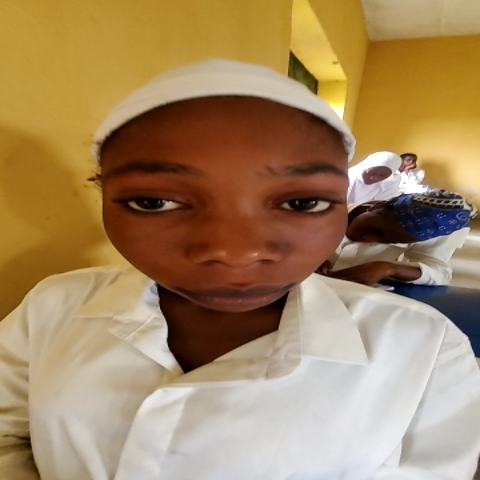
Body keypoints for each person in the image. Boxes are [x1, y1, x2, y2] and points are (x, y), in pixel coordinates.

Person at [0, 59, 479, 480]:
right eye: (154, 201)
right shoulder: (53, 307)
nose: (234, 253)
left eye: (303, 202)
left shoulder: (425, 349)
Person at [328, 189, 476, 286]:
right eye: (375, 230)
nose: (369, 239)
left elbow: (440, 273)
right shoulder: (326, 212)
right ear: (377, 206)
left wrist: (387, 268)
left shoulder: (426, 233)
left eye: (389, 241)